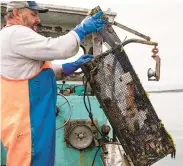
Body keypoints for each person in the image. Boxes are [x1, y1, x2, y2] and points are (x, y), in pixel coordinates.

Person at [0, 1, 108, 166]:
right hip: (28, 125)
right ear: (16, 13)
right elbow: (58, 48)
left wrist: (70, 66)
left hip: (29, 122)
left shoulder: (9, 38)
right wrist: (82, 29)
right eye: (33, 14)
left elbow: (35, 71)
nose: (37, 20)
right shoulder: (15, 33)